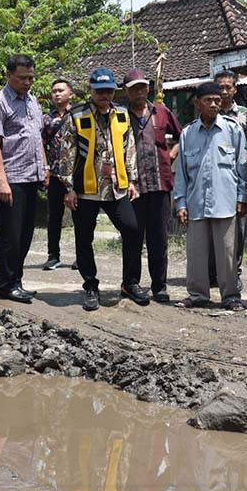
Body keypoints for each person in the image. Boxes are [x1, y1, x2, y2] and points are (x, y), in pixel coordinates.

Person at [58, 67, 146, 312]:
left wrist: (132, 180)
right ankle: (90, 285)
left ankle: (130, 282)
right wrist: (68, 187)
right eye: (100, 91)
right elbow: (66, 153)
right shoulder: (77, 115)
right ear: (91, 90)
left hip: (115, 187)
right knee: (84, 237)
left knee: (132, 229)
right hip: (84, 188)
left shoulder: (122, 114)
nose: (104, 95)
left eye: (108, 91)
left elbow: (130, 149)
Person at [174, 81, 247, 311]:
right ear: (198, 104)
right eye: (209, 101)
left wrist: (241, 197)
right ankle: (198, 295)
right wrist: (180, 203)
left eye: (218, 100)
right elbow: (182, 173)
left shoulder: (233, 129)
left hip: (226, 202)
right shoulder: (187, 134)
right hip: (196, 203)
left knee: (227, 253)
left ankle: (231, 297)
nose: (215, 104)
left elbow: (242, 166)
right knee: (196, 253)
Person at [0, 54, 49, 304]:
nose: (27, 82)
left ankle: (17, 280)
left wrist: (44, 167)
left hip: (32, 176)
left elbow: (37, 137)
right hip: (11, 178)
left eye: (31, 77)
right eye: (22, 78)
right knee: (10, 235)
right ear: (8, 75)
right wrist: (2, 181)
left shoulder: (33, 101)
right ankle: (5, 284)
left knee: (25, 234)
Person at [124, 68, 182, 303]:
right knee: (132, 236)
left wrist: (171, 155)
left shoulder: (161, 112)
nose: (139, 92)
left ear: (148, 88)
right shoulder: (120, 116)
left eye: (142, 87)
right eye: (133, 88)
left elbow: (182, 136)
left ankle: (159, 286)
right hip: (132, 186)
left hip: (160, 183)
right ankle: (131, 283)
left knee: (158, 238)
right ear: (126, 92)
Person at [212, 69, 247, 288]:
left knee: (238, 230)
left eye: (228, 87)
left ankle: (234, 273)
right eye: (220, 87)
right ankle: (213, 274)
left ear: (235, 89)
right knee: (212, 230)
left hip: (238, 179)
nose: (224, 91)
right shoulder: (209, 112)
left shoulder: (245, 115)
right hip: (214, 182)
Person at [42, 78, 74, 270]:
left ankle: (82, 256)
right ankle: (53, 256)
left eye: (61, 90)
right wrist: (45, 168)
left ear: (70, 93)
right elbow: (41, 143)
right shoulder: (47, 119)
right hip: (54, 174)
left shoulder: (79, 115)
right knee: (54, 216)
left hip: (75, 174)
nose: (57, 94)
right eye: (54, 91)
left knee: (82, 217)